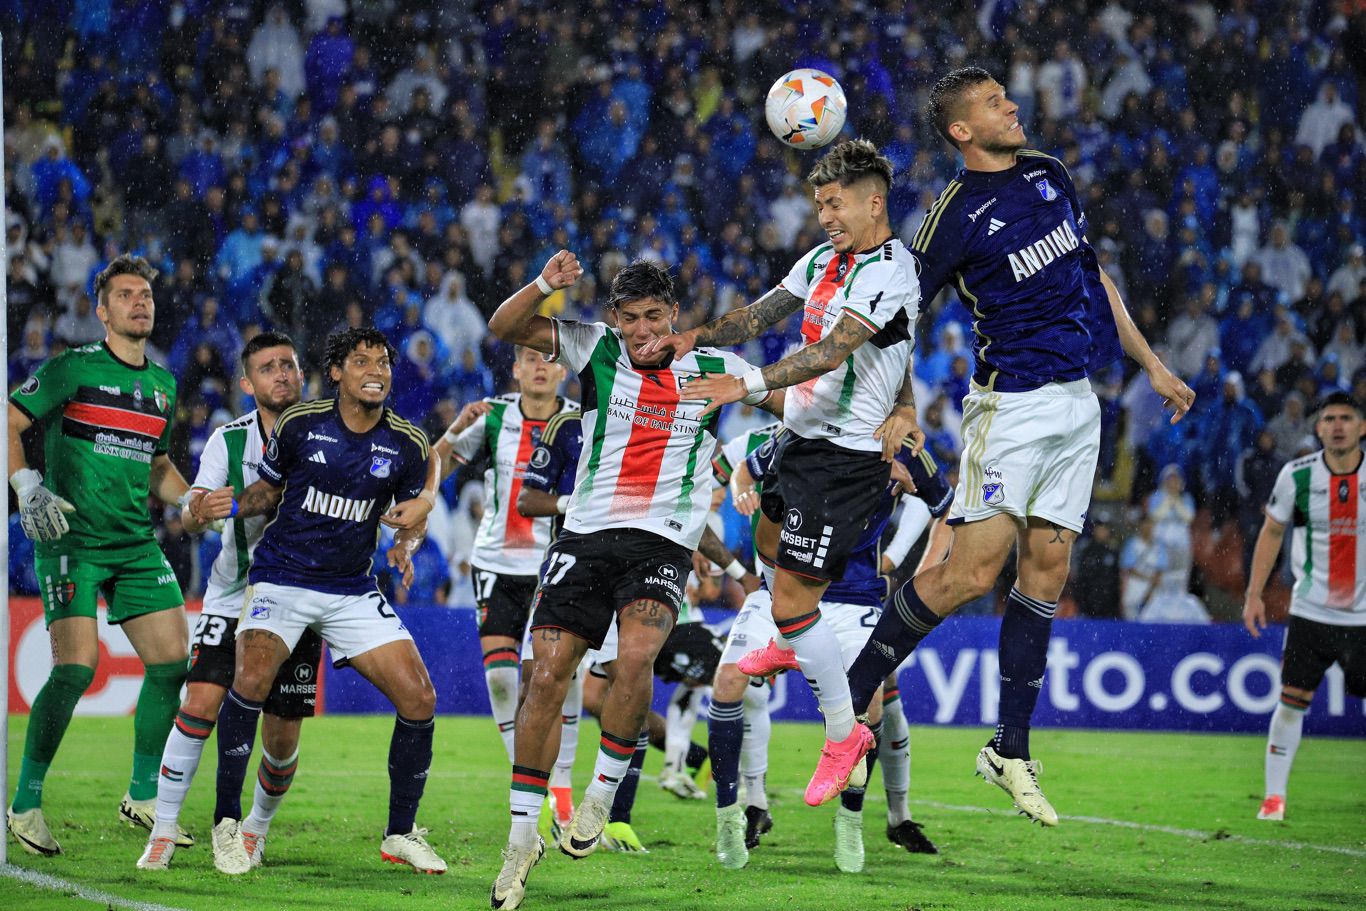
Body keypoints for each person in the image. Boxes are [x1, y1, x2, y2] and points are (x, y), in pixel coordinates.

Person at [837, 67, 1194, 827]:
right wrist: (901, 406)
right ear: (962, 131)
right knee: (969, 573)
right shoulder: (953, 216)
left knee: (1049, 568)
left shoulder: (1048, 173)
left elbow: (1091, 274)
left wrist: (1153, 363)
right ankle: (852, 690)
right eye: (996, 103)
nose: (1013, 106)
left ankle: (1010, 747)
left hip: (1079, 404)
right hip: (1014, 408)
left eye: (1007, 96)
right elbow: (902, 315)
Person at [484, 252, 778, 910]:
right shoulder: (592, 347)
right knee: (547, 670)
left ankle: (599, 796)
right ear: (614, 317)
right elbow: (504, 326)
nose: (643, 330)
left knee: (639, 653)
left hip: (664, 544)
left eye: (654, 317)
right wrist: (543, 285)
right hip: (585, 536)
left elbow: (790, 392)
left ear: (673, 314)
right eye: (631, 318)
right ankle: (521, 836)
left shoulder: (714, 368)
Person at [649, 139, 923, 809]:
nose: (825, 216)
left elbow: (830, 352)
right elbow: (762, 313)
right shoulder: (823, 259)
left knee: (796, 602)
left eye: (835, 204)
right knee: (768, 551)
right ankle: (790, 640)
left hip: (843, 459)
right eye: (819, 204)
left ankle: (841, 734)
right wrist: (699, 337)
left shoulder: (893, 270)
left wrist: (744, 382)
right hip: (798, 440)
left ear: (873, 202)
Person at [194, 327, 443, 875]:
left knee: (420, 698)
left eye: (382, 362)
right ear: (336, 372)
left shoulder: (406, 442)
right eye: (361, 361)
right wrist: (228, 504)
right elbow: (268, 490)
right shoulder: (301, 424)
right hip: (282, 577)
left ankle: (400, 832)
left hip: (351, 589)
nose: (375, 370)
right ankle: (226, 824)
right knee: (252, 678)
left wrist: (407, 541)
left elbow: (414, 512)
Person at [7, 255, 195, 857]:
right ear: (102, 309)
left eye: (145, 294)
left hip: (135, 543)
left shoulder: (163, 386)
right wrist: (25, 484)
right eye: (125, 295)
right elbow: (8, 420)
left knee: (172, 663)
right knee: (77, 669)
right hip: (73, 541)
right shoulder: (72, 369)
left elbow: (158, 467)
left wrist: (192, 501)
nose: (139, 302)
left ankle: (142, 795)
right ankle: (25, 806)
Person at [710, 426, 948, 872]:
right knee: (728, 681)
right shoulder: (794, 431)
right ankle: (729, 814)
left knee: (872, 703)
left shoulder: (904, 442)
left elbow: (945, 505)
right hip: (782, 588)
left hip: (854, 595)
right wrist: (750, 497)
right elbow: (742, 470)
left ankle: (851, 821)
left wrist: (925, 572)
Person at [135, 332, 322, 870]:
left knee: (282, 737)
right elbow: (197, 508)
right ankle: (165, 830)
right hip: (232, 594)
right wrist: (201, 509)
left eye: (288, 364)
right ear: (248, 383)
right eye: (268, 368)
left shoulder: (330, 435)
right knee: (198, 703)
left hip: (299, 599)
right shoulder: (228, 440)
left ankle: (254, 829)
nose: (282, 374)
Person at [433, 346, 577, 767]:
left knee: (547, 678)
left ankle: (560, 786)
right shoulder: (493, 415)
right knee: (500, 679)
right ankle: (525, 773)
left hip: (555, 566)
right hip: (495, 561)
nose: (539, 367)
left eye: (548, 359)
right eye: (529, 359)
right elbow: (433, 471)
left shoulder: (580, 420)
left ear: (563, 371)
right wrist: (454, 431)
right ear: (514, 369)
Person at [1243, 391, 1365, 821]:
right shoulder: (1296, 475)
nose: (1337, 425)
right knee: (1291, 701)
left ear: (1361, 427)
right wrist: (1254, 594)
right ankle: (1274, 798)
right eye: (1329, 418)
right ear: (1318, 429)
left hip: (1365, 619)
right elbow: (1272, 533)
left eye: (1346, 418)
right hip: (1311, 613)